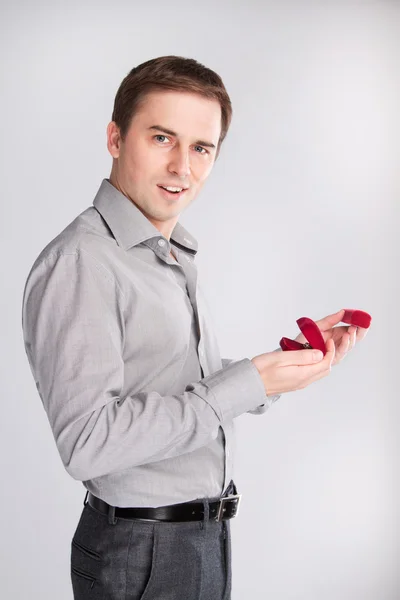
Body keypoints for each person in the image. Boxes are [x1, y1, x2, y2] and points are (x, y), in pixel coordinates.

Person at [21, 55, 369, 600]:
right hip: (143, 552)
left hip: (196, 541)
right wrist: (247, 381)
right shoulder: (83, 261)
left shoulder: (169, 252)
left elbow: (172, 384)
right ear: (115, 138)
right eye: (162, 137)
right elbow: (88, 442)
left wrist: (276, 371)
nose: (183, 166)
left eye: (202, 147)